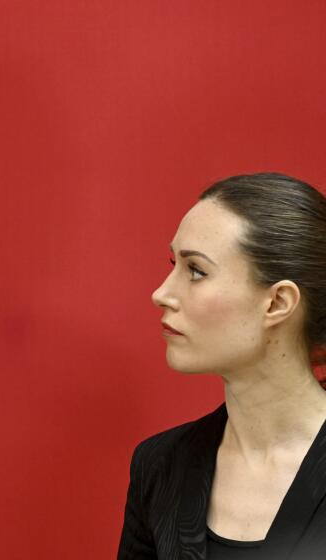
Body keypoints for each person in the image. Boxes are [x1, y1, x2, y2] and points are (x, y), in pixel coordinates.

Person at [118, 173, 326, 559]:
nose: (161, 293)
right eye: (172, 263)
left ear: (278, 303)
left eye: (196, 271)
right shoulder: (160, 465)